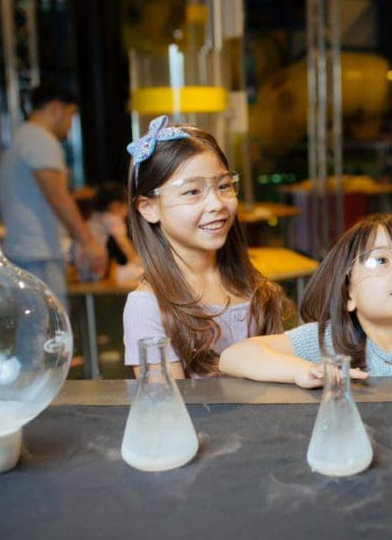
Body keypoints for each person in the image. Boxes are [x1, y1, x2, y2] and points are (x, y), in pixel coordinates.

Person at [219, 184, 392, 388]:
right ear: (348, 294)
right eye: (381, 260)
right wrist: (304, 370)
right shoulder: (329, 342)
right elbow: (234, 357)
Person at [123, 115, 293, 379]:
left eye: (224, 186)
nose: (217, 204)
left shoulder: (254, 288)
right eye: (192, 192)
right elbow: (168, 410)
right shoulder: (148, 306)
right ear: (149, 207)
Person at [0, 82, 107, 307]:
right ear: (56, 109)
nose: (70, 125)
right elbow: (56, 193)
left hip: (26, 250)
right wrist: (88, 240)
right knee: (49, 329)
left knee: (37, 327)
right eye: (70, 115)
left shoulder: (23, 138)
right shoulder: (40, 139)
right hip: (38, 252)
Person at [74, 181, 141, 283]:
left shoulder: (94, 217)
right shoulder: (113, 219)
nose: (127, 210)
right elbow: (123, 243)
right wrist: (135, 260)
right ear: (115, 205)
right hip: (97, 266)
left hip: (81, 268)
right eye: (126, 205)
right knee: (141, 273)